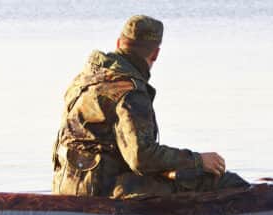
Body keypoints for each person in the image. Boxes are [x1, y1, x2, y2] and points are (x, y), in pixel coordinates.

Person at [52, 15, 248, 198]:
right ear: (155, 54)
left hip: (66, 184)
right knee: (224, 182)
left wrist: (170, 169)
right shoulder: (129, 91)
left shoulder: (86, 78)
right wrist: (198, 161)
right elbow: (141, 157)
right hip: (102, 189)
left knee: (177, 175)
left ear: (119, 43)